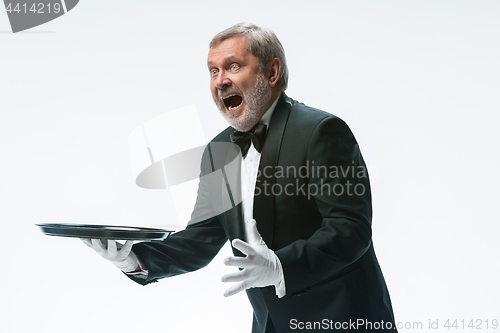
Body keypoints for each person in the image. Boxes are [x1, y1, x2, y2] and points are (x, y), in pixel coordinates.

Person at [82, 22, 398, 332]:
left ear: (272, 73)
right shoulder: (218, 150)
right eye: (213, 71)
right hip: (270, 324)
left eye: (233, 66)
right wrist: (133, 259)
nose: (220, 81)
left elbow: (350, 229)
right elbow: (199, 240)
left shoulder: (322, 132)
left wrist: (280, 267)